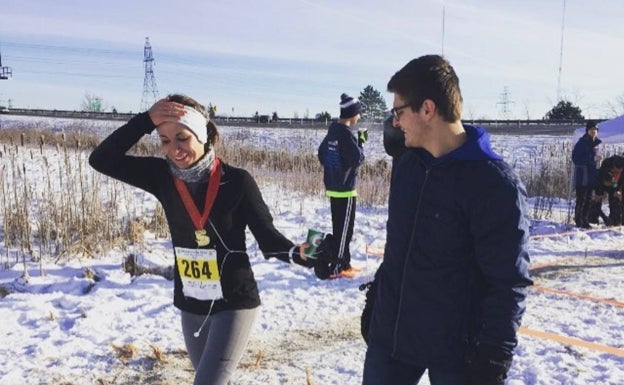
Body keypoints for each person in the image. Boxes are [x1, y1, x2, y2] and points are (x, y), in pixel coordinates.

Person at [88, 94, 317, 385]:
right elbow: (101, 160)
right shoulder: (161, 176)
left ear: (203, 134)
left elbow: (269, 240)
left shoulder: (237, 181)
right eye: (165, 140)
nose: (174, 150)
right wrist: (145, 121)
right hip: (192, 304)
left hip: (233, 302)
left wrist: (301, 253)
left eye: (182, 138)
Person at [362, 55, 533, 385]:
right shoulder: (408, 166)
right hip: (393, 338)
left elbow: (508, 281)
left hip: (458, 353)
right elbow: (401, 245)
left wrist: (495, 355)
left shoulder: (494, 183)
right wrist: (377, 300)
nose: (394, 122)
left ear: (427, 109)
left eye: (398, 112)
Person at [317, 93, 365, 278]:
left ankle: (345, 264)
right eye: (358, 113)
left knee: (341, 230)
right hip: (345, 191)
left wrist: (334, 167)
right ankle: (337, 267)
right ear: (352, 115)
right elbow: (358, 158)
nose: (359, 117)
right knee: (345, 232)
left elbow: (322, 155)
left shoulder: (333, 131)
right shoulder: (346, 134)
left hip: (333, 188)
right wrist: (361, 142)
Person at [572, 120, 602, 228]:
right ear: (587, 131)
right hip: (583, 175)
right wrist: (592, 159)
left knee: (588, 199)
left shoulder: (596, 143)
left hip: (591, 176)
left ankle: (585, 220)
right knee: (581, 199)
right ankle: (579, 221)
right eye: (591, 129)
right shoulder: (582, 143)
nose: (593, 131)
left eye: (595, 129)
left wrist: (597, 160)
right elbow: (576, 158)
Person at [593, 154, 624, 226]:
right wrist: (599, 193)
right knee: (597, 200)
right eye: (616, 170)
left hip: (614, 186)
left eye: (619, 171)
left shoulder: (622, 169)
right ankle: (593, 219)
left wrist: (618, 190)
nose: (617, 172)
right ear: (613, 167)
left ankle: (614, 221)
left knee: (615, 200)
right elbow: (599, 180)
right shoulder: (606, 164)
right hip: (603, 184)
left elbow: (621, 181)